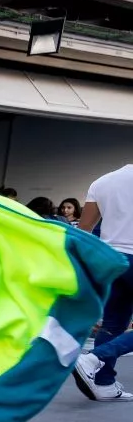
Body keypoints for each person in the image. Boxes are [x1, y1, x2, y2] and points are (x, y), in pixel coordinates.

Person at [73, 163, 133, 401]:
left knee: (113, 323)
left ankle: (104, 382)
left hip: (109, 260)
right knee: (115, 324)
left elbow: (85, 228)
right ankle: (94, 357)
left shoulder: (103, 181)